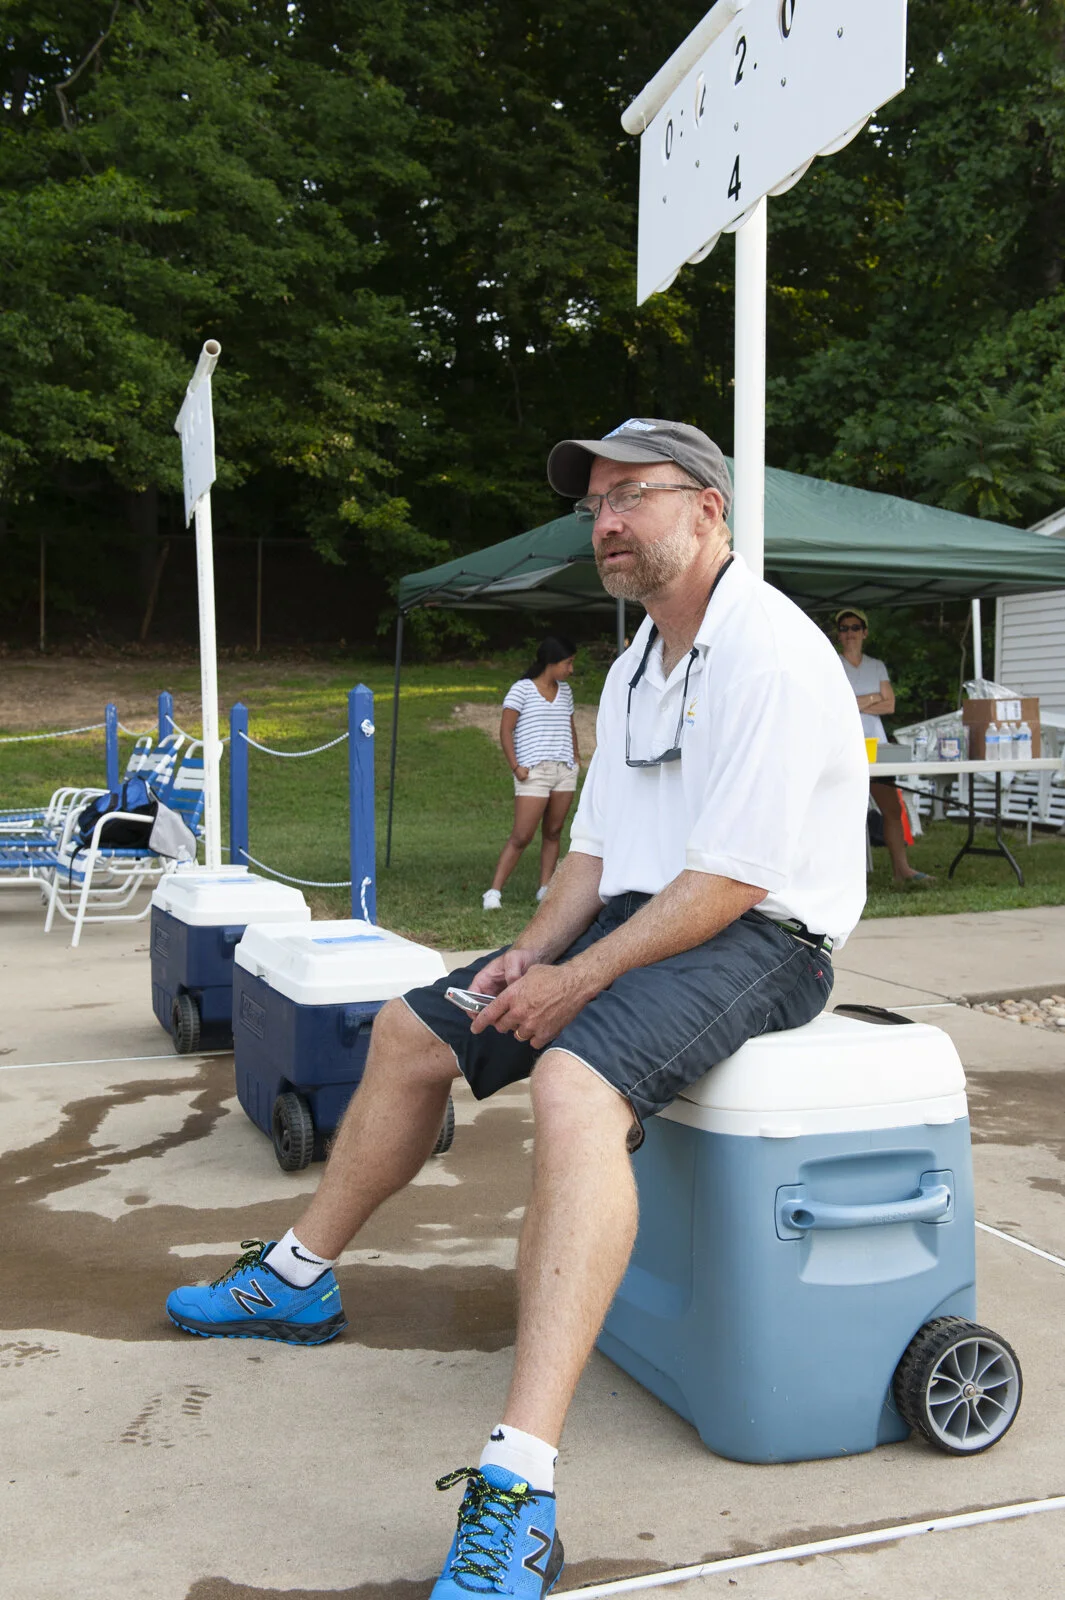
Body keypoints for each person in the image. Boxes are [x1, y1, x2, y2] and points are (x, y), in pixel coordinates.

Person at [166, 418, 869, 1600]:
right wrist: (525, 956)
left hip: (765, 935)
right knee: (408, 1026)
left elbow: (732, 881)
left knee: (574, 1079)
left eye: (629, 496)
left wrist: (578, 979)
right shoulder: (642, 656)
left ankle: (519, 1487)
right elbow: (592, 857)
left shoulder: (773, 651)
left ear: (708, 509)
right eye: (594, 504)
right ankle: (298, 1277)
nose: (604, 522)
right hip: (648, 915)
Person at [482, 636, 580, 912]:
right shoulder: (521, 690)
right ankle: (493, 892)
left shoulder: (566, 691)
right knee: (522, 835)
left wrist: (575, 757)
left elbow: (569, 724)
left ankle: (545, 888)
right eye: (568, 663)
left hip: (564, 771)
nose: (571, 669)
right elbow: (505, 730)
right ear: (551, 663)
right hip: (533, 772)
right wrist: (515, 766)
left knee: (554, 831)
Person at [835, 608, 931, 886]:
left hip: (876, 748)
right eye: (844, 628)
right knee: (843, 812)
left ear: (865, 632)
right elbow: (839, 705)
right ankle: (843, 878)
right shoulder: (833, 663)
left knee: (891, 809)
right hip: (845, 746)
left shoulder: (877, 665)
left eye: (855, 627)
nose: (849, 633)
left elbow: (890, 705)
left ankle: (902, 870)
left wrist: (857, 701)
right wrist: (872, 697)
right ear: (838, 634)